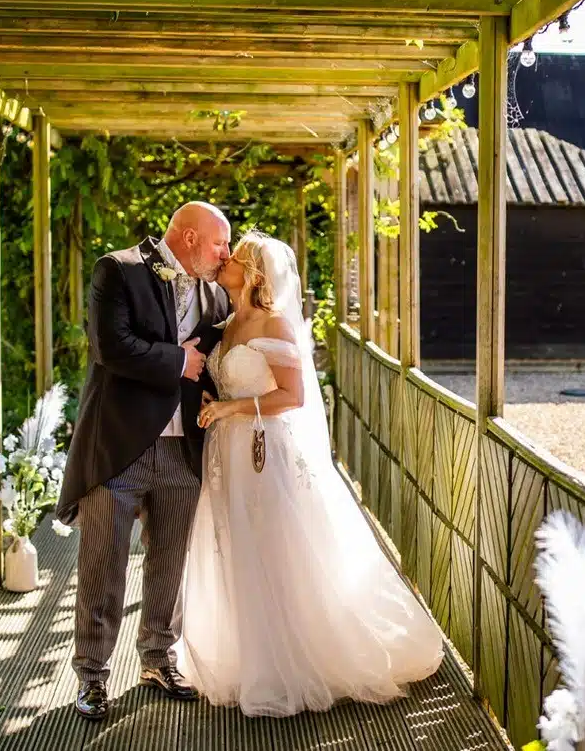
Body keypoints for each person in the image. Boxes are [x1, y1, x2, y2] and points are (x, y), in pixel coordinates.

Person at [178, 230, 444, 717]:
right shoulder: (227, 322)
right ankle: (251, 656)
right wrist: (214, 405)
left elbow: (292, 398)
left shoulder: (276, 325)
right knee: (237, 545)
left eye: (233, 257)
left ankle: (293, 662)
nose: (224, 261)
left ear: (253, 272)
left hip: (264, 451)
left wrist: (232, 408)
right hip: (227, 450)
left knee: (277, 546)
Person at [56, 202, 231, 721]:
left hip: (184, 453)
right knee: (102, 568)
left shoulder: (215, 291)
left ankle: (157, 659)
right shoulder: (119, 269)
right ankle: (91, 677)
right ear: (191, 236)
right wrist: (180, 360)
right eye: (220, 243)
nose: (226, 253)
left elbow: (218, 361)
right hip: (119, 448)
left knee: (170, 565)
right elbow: (112, 346)